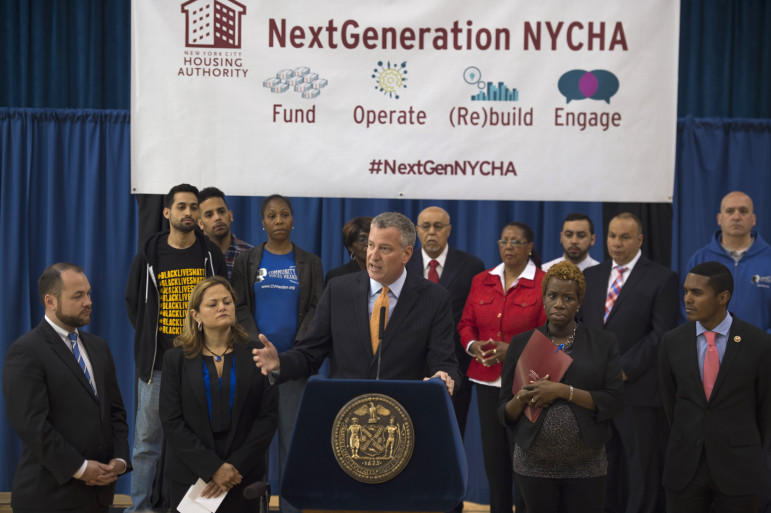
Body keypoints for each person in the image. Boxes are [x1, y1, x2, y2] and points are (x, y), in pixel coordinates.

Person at [252, 211, 460, 395]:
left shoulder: (434, 298)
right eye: (371, 245)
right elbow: (310, 353)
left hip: (403, 415)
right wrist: (280, 363)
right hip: (347, 414)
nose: (373, 256)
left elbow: (444, 362)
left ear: (406, 254)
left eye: (385, 249)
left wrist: (443, 376)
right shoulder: (338, 290)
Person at [125, 183, 227, 512]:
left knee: (202, 441)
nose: (188, 212)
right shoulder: (150, 253)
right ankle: (140, 508)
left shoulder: (210, 254)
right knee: (146, 444)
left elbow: (224, 302)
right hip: (157, 366)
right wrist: (148, 340)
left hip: (200, 364)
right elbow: (133, 303)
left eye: (193, 207)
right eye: (181, 207)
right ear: (167, 212)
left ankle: (195, 509)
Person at [3, 263, 131, 513]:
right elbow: (31, 425)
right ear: (50, 301)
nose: (89, 301)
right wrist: (80, 468)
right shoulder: (26, 350)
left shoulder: (99, 348)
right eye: (78, 296)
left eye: (89, 293)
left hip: (99, 497)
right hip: (49, 499)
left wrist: (120, 459)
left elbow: (115, 412)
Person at [498, 261, 624, 513]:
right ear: (543, 298)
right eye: (553, 296)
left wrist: (562, 392)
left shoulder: (603, 342)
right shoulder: (522, 343)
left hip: (586, 466)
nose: (559, 303)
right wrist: (522, 397)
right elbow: (504, 412)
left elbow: (613, 401)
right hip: (533, 465)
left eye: (568, 297)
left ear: (579, 302)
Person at [231, 194, 323, 513]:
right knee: (255, 444)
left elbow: (316, 307)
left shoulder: (309, 262)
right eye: (272, 216)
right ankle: (255, 508)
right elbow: (239, 305)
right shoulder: (248, 260)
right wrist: (259, 349)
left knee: (291, 443)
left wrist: (294, 352)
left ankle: (290, 508)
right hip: (256, 366)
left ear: (293, 220)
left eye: (285, 215)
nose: (279, 220)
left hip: (293, 367)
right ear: (263, 222)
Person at [582, 212, 679, 513]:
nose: (617, 243)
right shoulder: (592, 276)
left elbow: (661, 332)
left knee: (641, 472)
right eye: (612, 235)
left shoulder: (662, 278)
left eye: (625, 237)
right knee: (601, 467)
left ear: (639, 239)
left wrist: (623, 369)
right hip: (596, 392)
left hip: (637, 391)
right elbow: (584, 327)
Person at [659, 261, 771, 512]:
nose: (687, 299)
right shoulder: (671, 342)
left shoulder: (759, 343)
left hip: (738, 468)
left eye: (697, 293)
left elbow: (765, 410)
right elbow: (670, 404)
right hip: (685, 466)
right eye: (686, 291)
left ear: (723, 297)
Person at [160, 277, 278, 512]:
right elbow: (171, 421)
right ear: (196, 315)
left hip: (242, 475)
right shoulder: (176, 359)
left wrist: (233, 467)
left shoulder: (256, 354)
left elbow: (267, 418)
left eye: (227, 301)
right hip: (191, 476)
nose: (222, 307)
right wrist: (213, 468)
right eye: (213, 304)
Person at [458, 221, 547, 513]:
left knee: (523, 460)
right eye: (504, 241)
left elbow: (550, 335)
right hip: (485, 382)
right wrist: (474, 347)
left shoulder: (544, 282)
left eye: (516, 242)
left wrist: (511, 351)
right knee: (494, 463)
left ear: (529, 247)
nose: (508, 247)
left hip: (525, 384)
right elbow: (466, 324)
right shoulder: (482, 279)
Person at [406, 206, 485, 447]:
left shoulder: (471, 266)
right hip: (409, 366)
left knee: (450, 438)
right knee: (409, 435)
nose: (431, 232)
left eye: (438, 226)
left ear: (449, 230)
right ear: (416, 231)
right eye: (425, 226)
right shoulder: (402, 263)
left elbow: (475, 317)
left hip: (455, 366)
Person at [686, 191, 770, 333]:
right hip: (710, 348)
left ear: (753, 219)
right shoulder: (700, 259)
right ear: (719, 218)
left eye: (743, 211)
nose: (736, 217)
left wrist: (765, 342)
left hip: (762, 349)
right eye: (730, 211)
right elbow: (687, 308)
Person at [198, 186, 254, 281]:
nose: (217, 217)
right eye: (209, 215)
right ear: (200, 223)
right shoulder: (195, 255)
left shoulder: (250, 254)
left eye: (221, 211)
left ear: (230, 215)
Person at [325, 216, 373, 283]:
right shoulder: (337, 276)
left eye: (372, 239)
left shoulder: (387, 273)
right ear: (350, 247)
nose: (368, 244)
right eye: (362, 239)